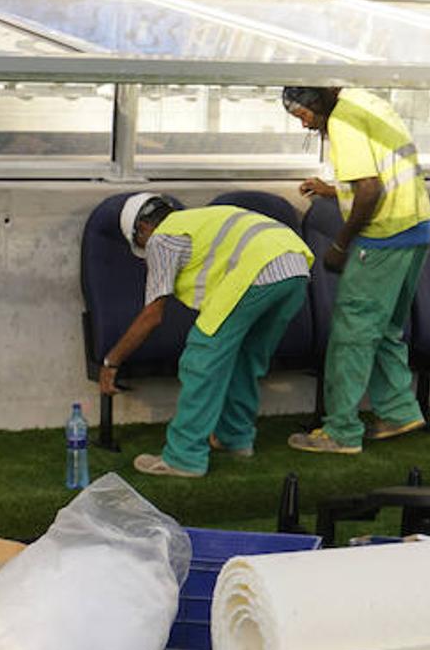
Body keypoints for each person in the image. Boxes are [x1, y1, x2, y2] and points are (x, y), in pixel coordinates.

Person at [99, 192, 313, 477]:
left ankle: (184, 457)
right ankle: (235, 438)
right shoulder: (198, 220)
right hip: (295, 268)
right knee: (246, 359)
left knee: (201, 361)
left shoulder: (162, 238)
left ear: (143, 229)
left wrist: (112, 361)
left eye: (139, 244)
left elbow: (152, 315)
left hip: (257, 272)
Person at [281, 86, 430, 454]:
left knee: (351, 332)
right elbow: (382, 173)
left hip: (383, 235)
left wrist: (340, 244)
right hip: (416, 228)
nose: (305, 126)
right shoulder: (367, 101)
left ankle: (341, 431)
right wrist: (334, 191)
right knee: (384, 329)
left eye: (303, 116)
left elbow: (369, 190)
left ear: (317, 102)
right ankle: (398, 411)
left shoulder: (343, 121)